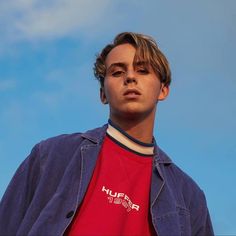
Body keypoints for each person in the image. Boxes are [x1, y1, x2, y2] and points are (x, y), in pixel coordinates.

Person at [0, 32, 214, 236]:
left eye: (142, 70)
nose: (130, 77)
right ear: (103, 93)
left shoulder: (189, 197)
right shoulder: (51, 156)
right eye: (117, 72)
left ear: (163, 90)